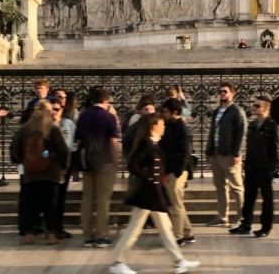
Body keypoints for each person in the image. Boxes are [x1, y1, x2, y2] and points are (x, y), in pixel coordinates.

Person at [109, 113, 199, 274]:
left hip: (155, 193)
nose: (164, 127)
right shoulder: (146, 144)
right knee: (134, 228)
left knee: (165, 228)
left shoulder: (154, 144)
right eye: (161, 124)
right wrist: (148, 178)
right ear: (153, 127)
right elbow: (132, 164)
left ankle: (179, 261)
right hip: (146, 194)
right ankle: (117, 262)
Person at [10, 100, 68, 245]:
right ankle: (51, 235)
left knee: (31, 204)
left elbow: (15, 150)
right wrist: (64, 167)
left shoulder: (25, 129)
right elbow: (63, 150)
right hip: (51, 173)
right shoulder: (53, 129)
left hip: (31, 173)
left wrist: (24, 161)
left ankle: (29, 233)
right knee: (50, 205)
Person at [75, 87, 121, 248]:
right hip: (104, 160)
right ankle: (102, 235)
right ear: (106, 101)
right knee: (103, 200)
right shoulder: (109, 117)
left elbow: (78, 139)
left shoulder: (83, 116)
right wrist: (116, 161)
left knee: (87, 198)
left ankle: (87, 235)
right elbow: (113, 141)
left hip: (87, 160)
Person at [230, 94, 279, 238]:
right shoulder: (252, 125)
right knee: (249, 197)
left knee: (267, 199)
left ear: (266, 108)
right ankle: (246, 224)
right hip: (252, 167)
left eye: (257, 106)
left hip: (265, 168)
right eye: (254, 105)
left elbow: (277, 148)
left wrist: (272, 168)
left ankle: (265, 227)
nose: (253, 107)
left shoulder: (272, 125)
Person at [205, 82, 246, 228]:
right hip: (216, 153)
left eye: (225, 91)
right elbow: (212, 131)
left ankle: (242, 218)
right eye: (220, 92)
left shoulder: (236, 111)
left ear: (232, 93)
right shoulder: (217, 111)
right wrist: (209, 150)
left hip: (229, 154)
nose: (222, 94)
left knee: (236, 187)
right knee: (220, 186)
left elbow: (241, 133)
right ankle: (222, 217)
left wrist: (237, 153)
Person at [160, 98, 194, 245]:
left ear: (175, 112)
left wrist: (178, 172)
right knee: (177, 202)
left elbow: (185, 152)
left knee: (175, 204)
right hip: (170, 170)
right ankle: (187, 232)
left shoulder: (181, 127)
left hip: (177, 171)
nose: (163, 114)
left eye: (165, 111)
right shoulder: (169, 125)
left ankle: (178, 235)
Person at [51, 95, 76, 239]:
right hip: (49, 167)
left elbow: (73, 144)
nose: (55, 112)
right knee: (50, 199)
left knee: (60, 198)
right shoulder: (44, 124)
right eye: (52, 109)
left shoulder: (68, 124)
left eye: (57, 109)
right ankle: (50, 228)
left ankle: (58, 227)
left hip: (64, 166)